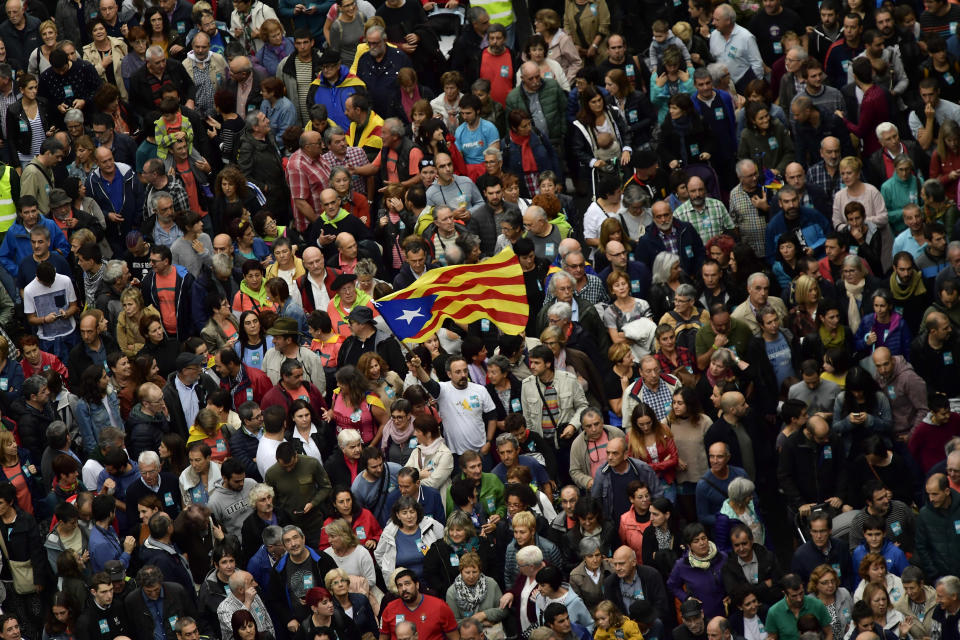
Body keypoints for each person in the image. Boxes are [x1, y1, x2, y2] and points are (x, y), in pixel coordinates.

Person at [765, 574, 833, 640]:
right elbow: (772, 637)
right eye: (794, 596)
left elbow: (829, 633)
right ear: (785, 593)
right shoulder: (774, 612)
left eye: (801, 593)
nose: (799, 599)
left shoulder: (817, 605)